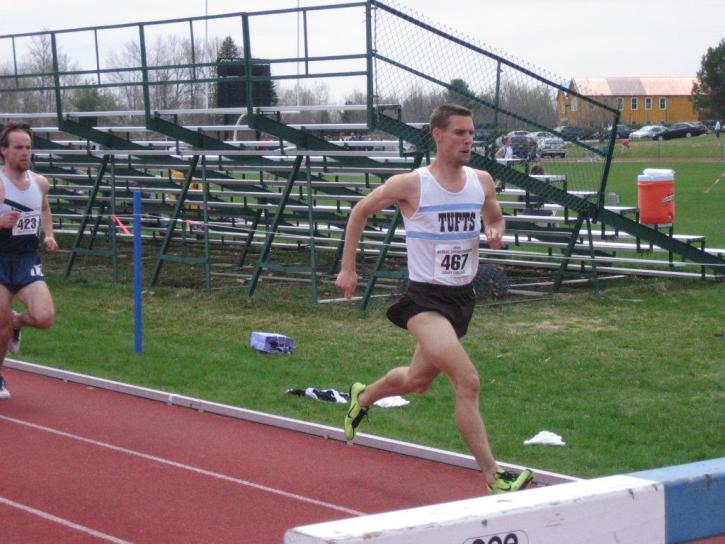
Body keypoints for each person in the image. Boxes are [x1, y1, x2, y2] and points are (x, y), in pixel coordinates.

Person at [335, 104, 534, 495]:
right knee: (468, 380)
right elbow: (359, 211)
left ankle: (365, 396)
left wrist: (495, 230)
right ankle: (495, 477)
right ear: (438, 135)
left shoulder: (481, 181)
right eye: (460, 133)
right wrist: (348, 267)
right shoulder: (412, 184)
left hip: (462, 298)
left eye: (472, 133)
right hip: (424, 302)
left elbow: (495, 217)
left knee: (417, 381)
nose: (468, 140)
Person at [0, 122, 58, 399]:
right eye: (18, 148)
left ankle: (17, 324)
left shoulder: (40, 182)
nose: (25, 153)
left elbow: (44, 208)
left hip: (25, 258)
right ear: (4, 151)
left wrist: (48, 234)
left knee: (44, 317)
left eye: (28, 147)